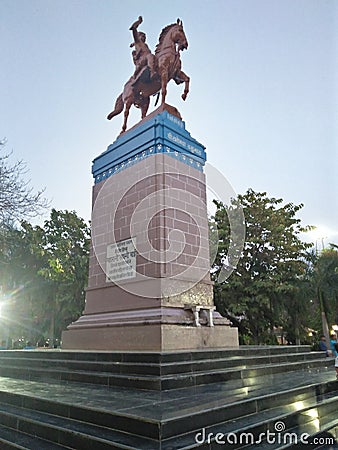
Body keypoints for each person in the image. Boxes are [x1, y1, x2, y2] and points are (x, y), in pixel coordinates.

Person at [129, 16, 156, 81]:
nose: (144, 37)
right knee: (150, 56)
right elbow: (134, 29)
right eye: (142, 36)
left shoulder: (145, 45)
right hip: (143, 59)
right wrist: (139, 22)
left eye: (145, 37)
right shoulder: (137, 42)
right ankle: (152, 72)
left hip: (148, 58)